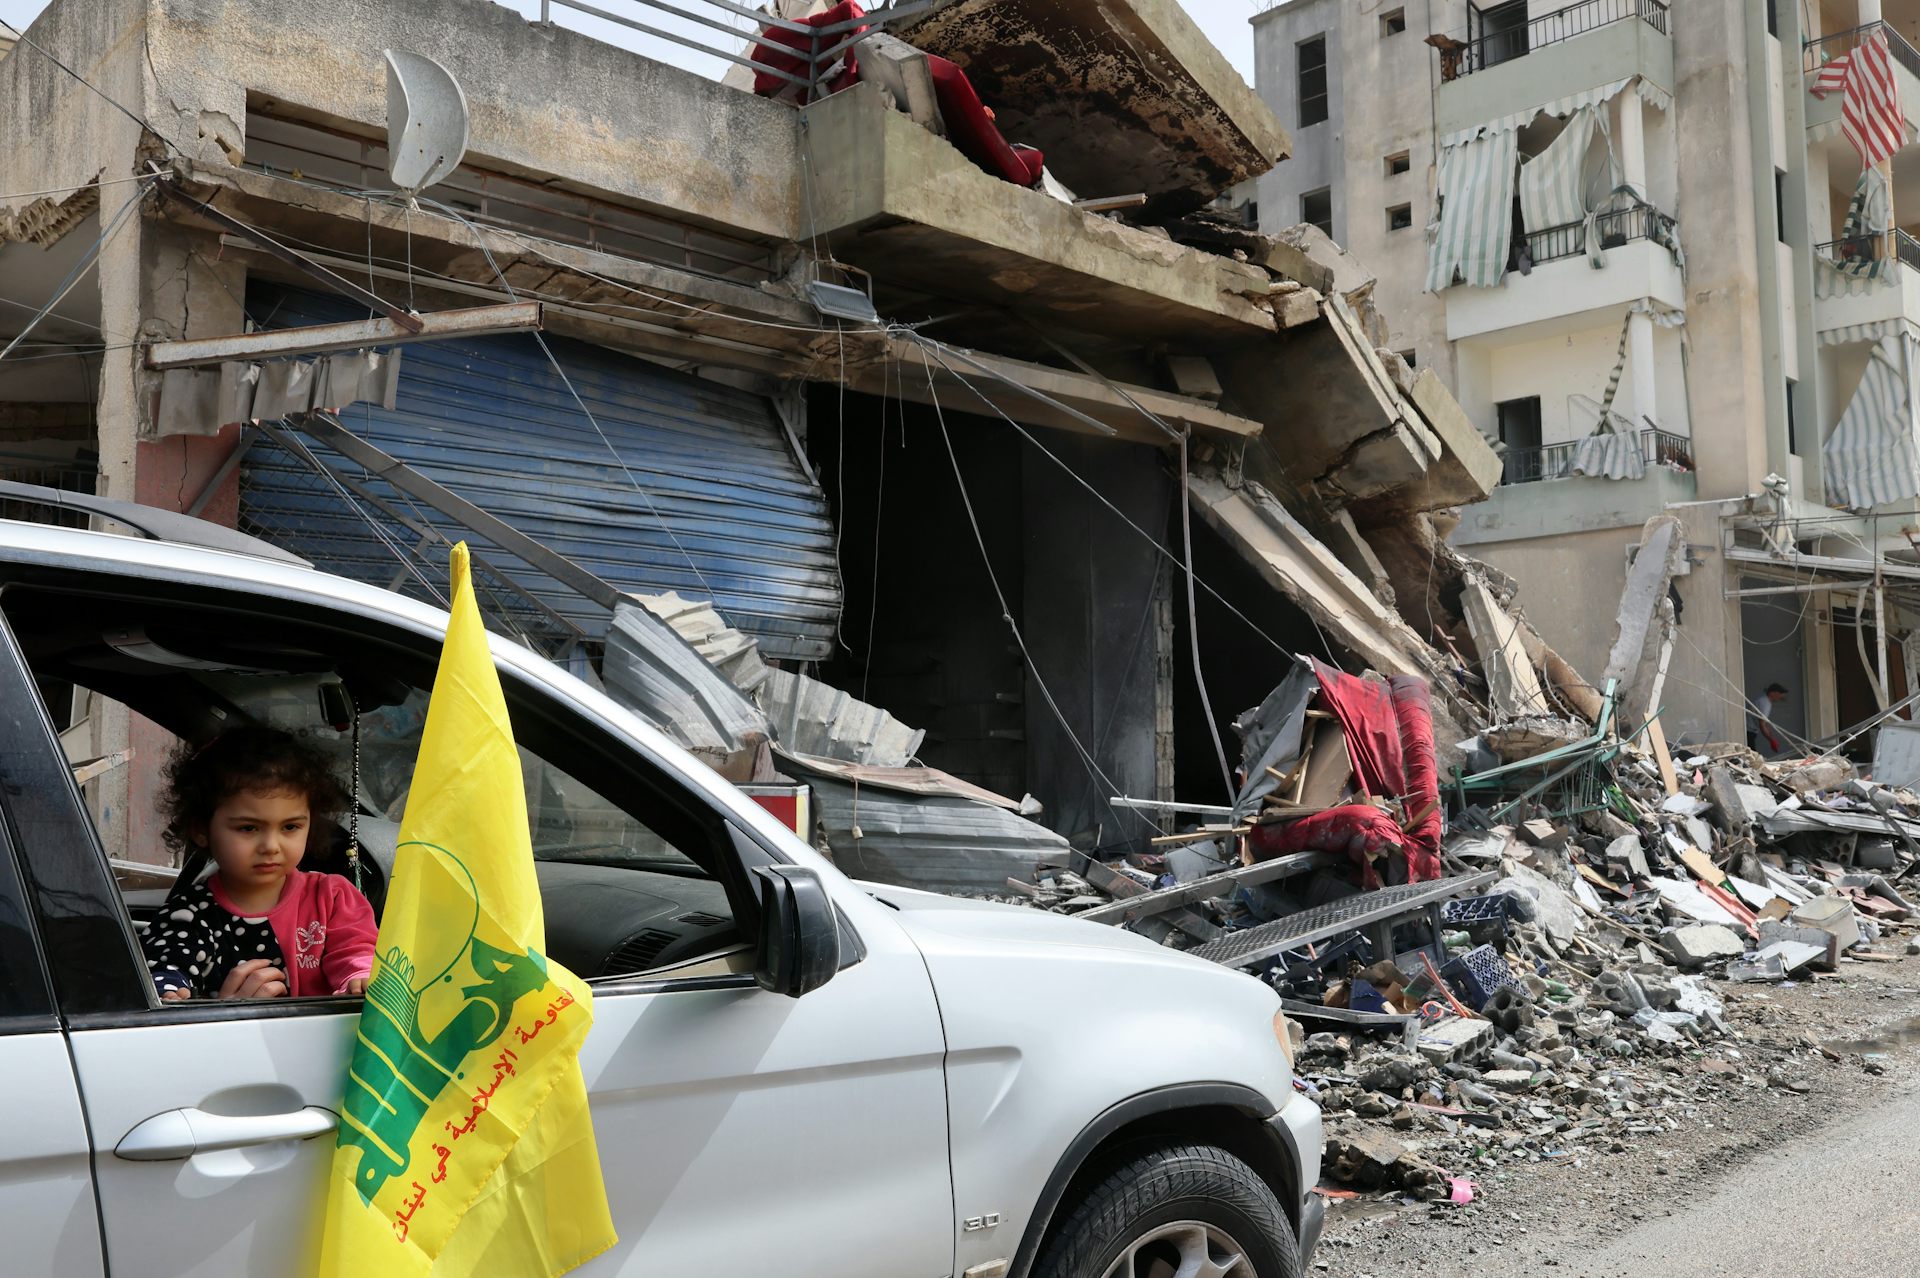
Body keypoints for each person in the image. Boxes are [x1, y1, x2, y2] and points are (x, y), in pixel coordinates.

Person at [143, 725, 377, 1002]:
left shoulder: (332, 897)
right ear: (201, 830)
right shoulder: (188, 915)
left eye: (290, 827)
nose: (271, 846)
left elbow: (357, 950)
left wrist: (359, 976)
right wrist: (179, 996)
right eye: (248, 828)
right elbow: (166, 971)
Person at [1748, 682, 1789, 754]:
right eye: (1779, 694)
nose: (1780, 697)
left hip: (1750, 730)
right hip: (1749, 731)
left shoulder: (1763, 700)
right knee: (1752, 756)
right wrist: (1771, 740)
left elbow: (1765, 722)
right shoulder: (1765, 703)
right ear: (1773, 693)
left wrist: (1771, 737)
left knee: (1752, 754)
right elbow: (1762, 724)